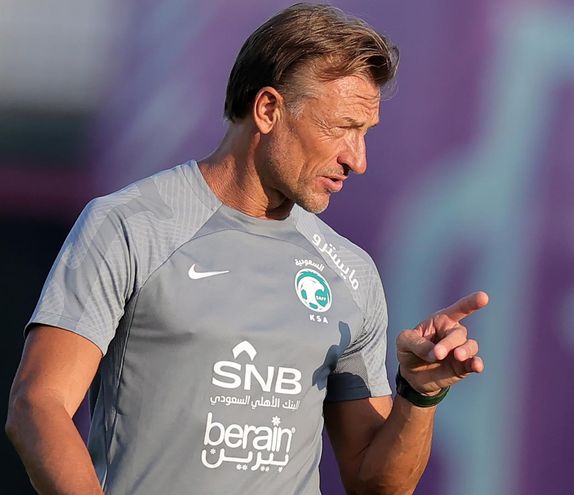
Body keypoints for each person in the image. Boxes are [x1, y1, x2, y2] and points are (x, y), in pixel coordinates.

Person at [6, 4, 488, 494]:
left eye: (365, 133)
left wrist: (420, 393)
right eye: (341, 127)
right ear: (268, 110)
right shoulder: (130, 225)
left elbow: (376, 484)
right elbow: (37, 405)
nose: (357, 159)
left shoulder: (352, 272)